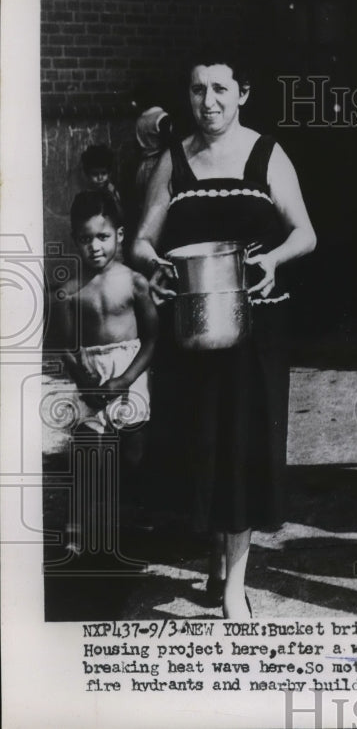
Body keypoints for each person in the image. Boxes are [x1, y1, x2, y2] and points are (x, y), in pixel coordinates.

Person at [132, 49, 316, 619]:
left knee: (241, 452)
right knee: (202, 447)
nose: (207, 102)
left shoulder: (266, 154)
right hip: (192, 328)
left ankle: (234, 585)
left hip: (255, 330)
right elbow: (139, 240)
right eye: (196, 90)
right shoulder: (173, 160)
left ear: (242, 94)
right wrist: (156, 266)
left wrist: (274, 261)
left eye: (219, 89)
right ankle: (216, 562)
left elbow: (305, 233)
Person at [53, 190, 158, 551]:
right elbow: (64, 346)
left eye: (103, 236)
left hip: (128, 371)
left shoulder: (134, 282)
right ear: (74, 241)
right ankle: (76, 527)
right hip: (90, 376)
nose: (94, 247)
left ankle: (138, 512)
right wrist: (85, 382)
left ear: (120, 235)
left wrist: (126, 379)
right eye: (85, 239)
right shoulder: (69, 292)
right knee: (88, 448)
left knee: (135, 451)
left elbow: (151, 340)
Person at [80, 144, 124, 230]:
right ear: (88, 175)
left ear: (109, 173)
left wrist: (113, 197)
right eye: (95, 174)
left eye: (103, 173)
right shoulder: (87, 194)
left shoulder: (112, 191)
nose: (100, 178)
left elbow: (121, 216)